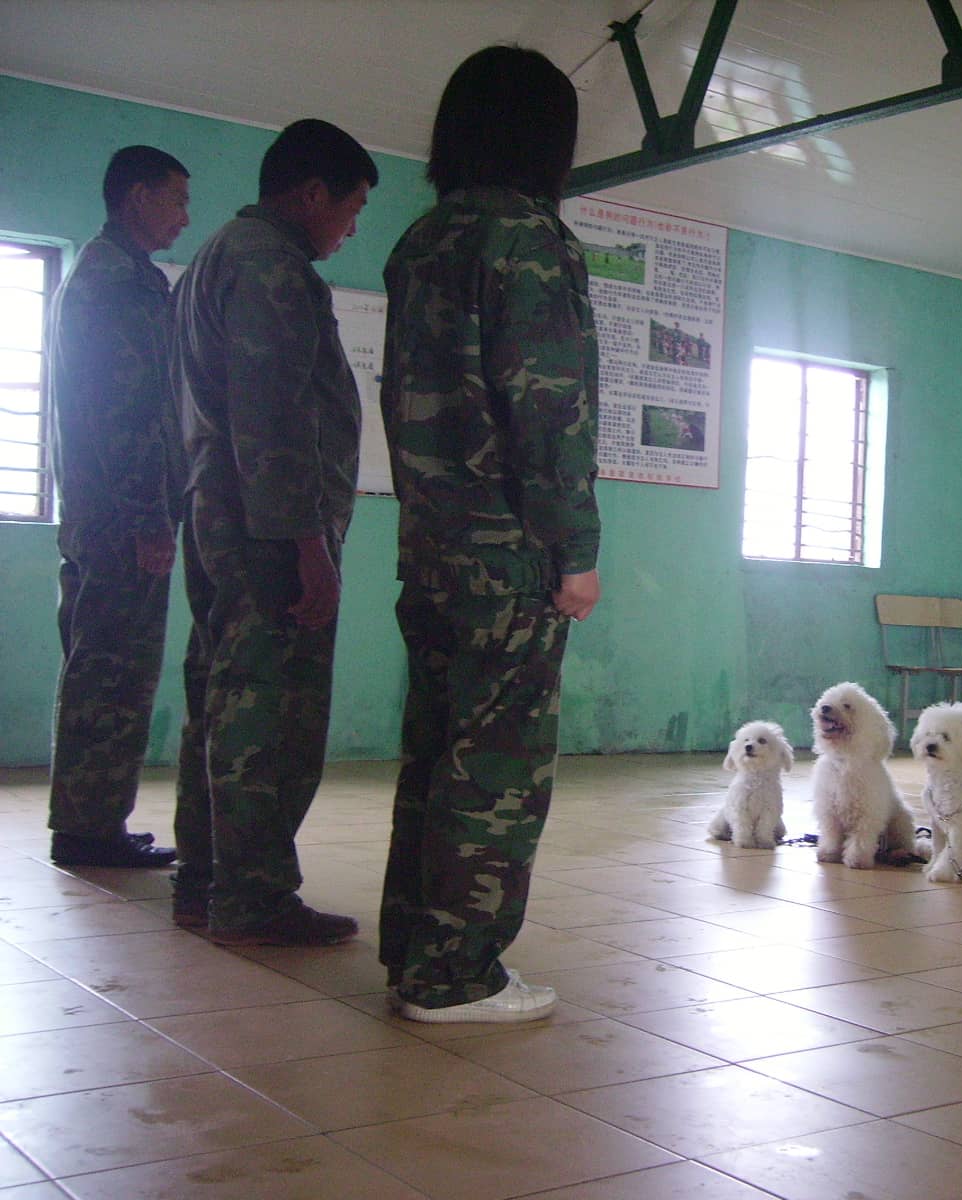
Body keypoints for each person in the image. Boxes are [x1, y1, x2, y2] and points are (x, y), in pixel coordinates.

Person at [378, 45, 601, 1023]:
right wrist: (575, 549)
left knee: (432, 752)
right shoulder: (531, 243)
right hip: (510, 557)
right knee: (498, 764)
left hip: (429, 548)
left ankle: (411, 947)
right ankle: (455, 973)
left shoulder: (419, 243)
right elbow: (549, 411)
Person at [169, 119, 377, 944]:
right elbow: (274, 415)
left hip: (219, 510)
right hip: (268, 529)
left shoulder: (214, 259)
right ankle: (251, 896)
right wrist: (307, 547)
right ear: (312, 192)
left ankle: (206, 876)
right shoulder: (270, 266)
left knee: (220, 697)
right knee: (268, 708)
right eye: (351, 208)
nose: (351, 227)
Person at [46, 145, 190, 869]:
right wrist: (149, 516)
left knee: (102, 663)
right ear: (137, 198)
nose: (184, 216)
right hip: (118, 516)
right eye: (175, 199)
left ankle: (90, 820)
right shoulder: (117, 282)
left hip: (100, 512)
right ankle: (88, 828)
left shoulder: (111, 274)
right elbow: (127, 410)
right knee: (114, 670)